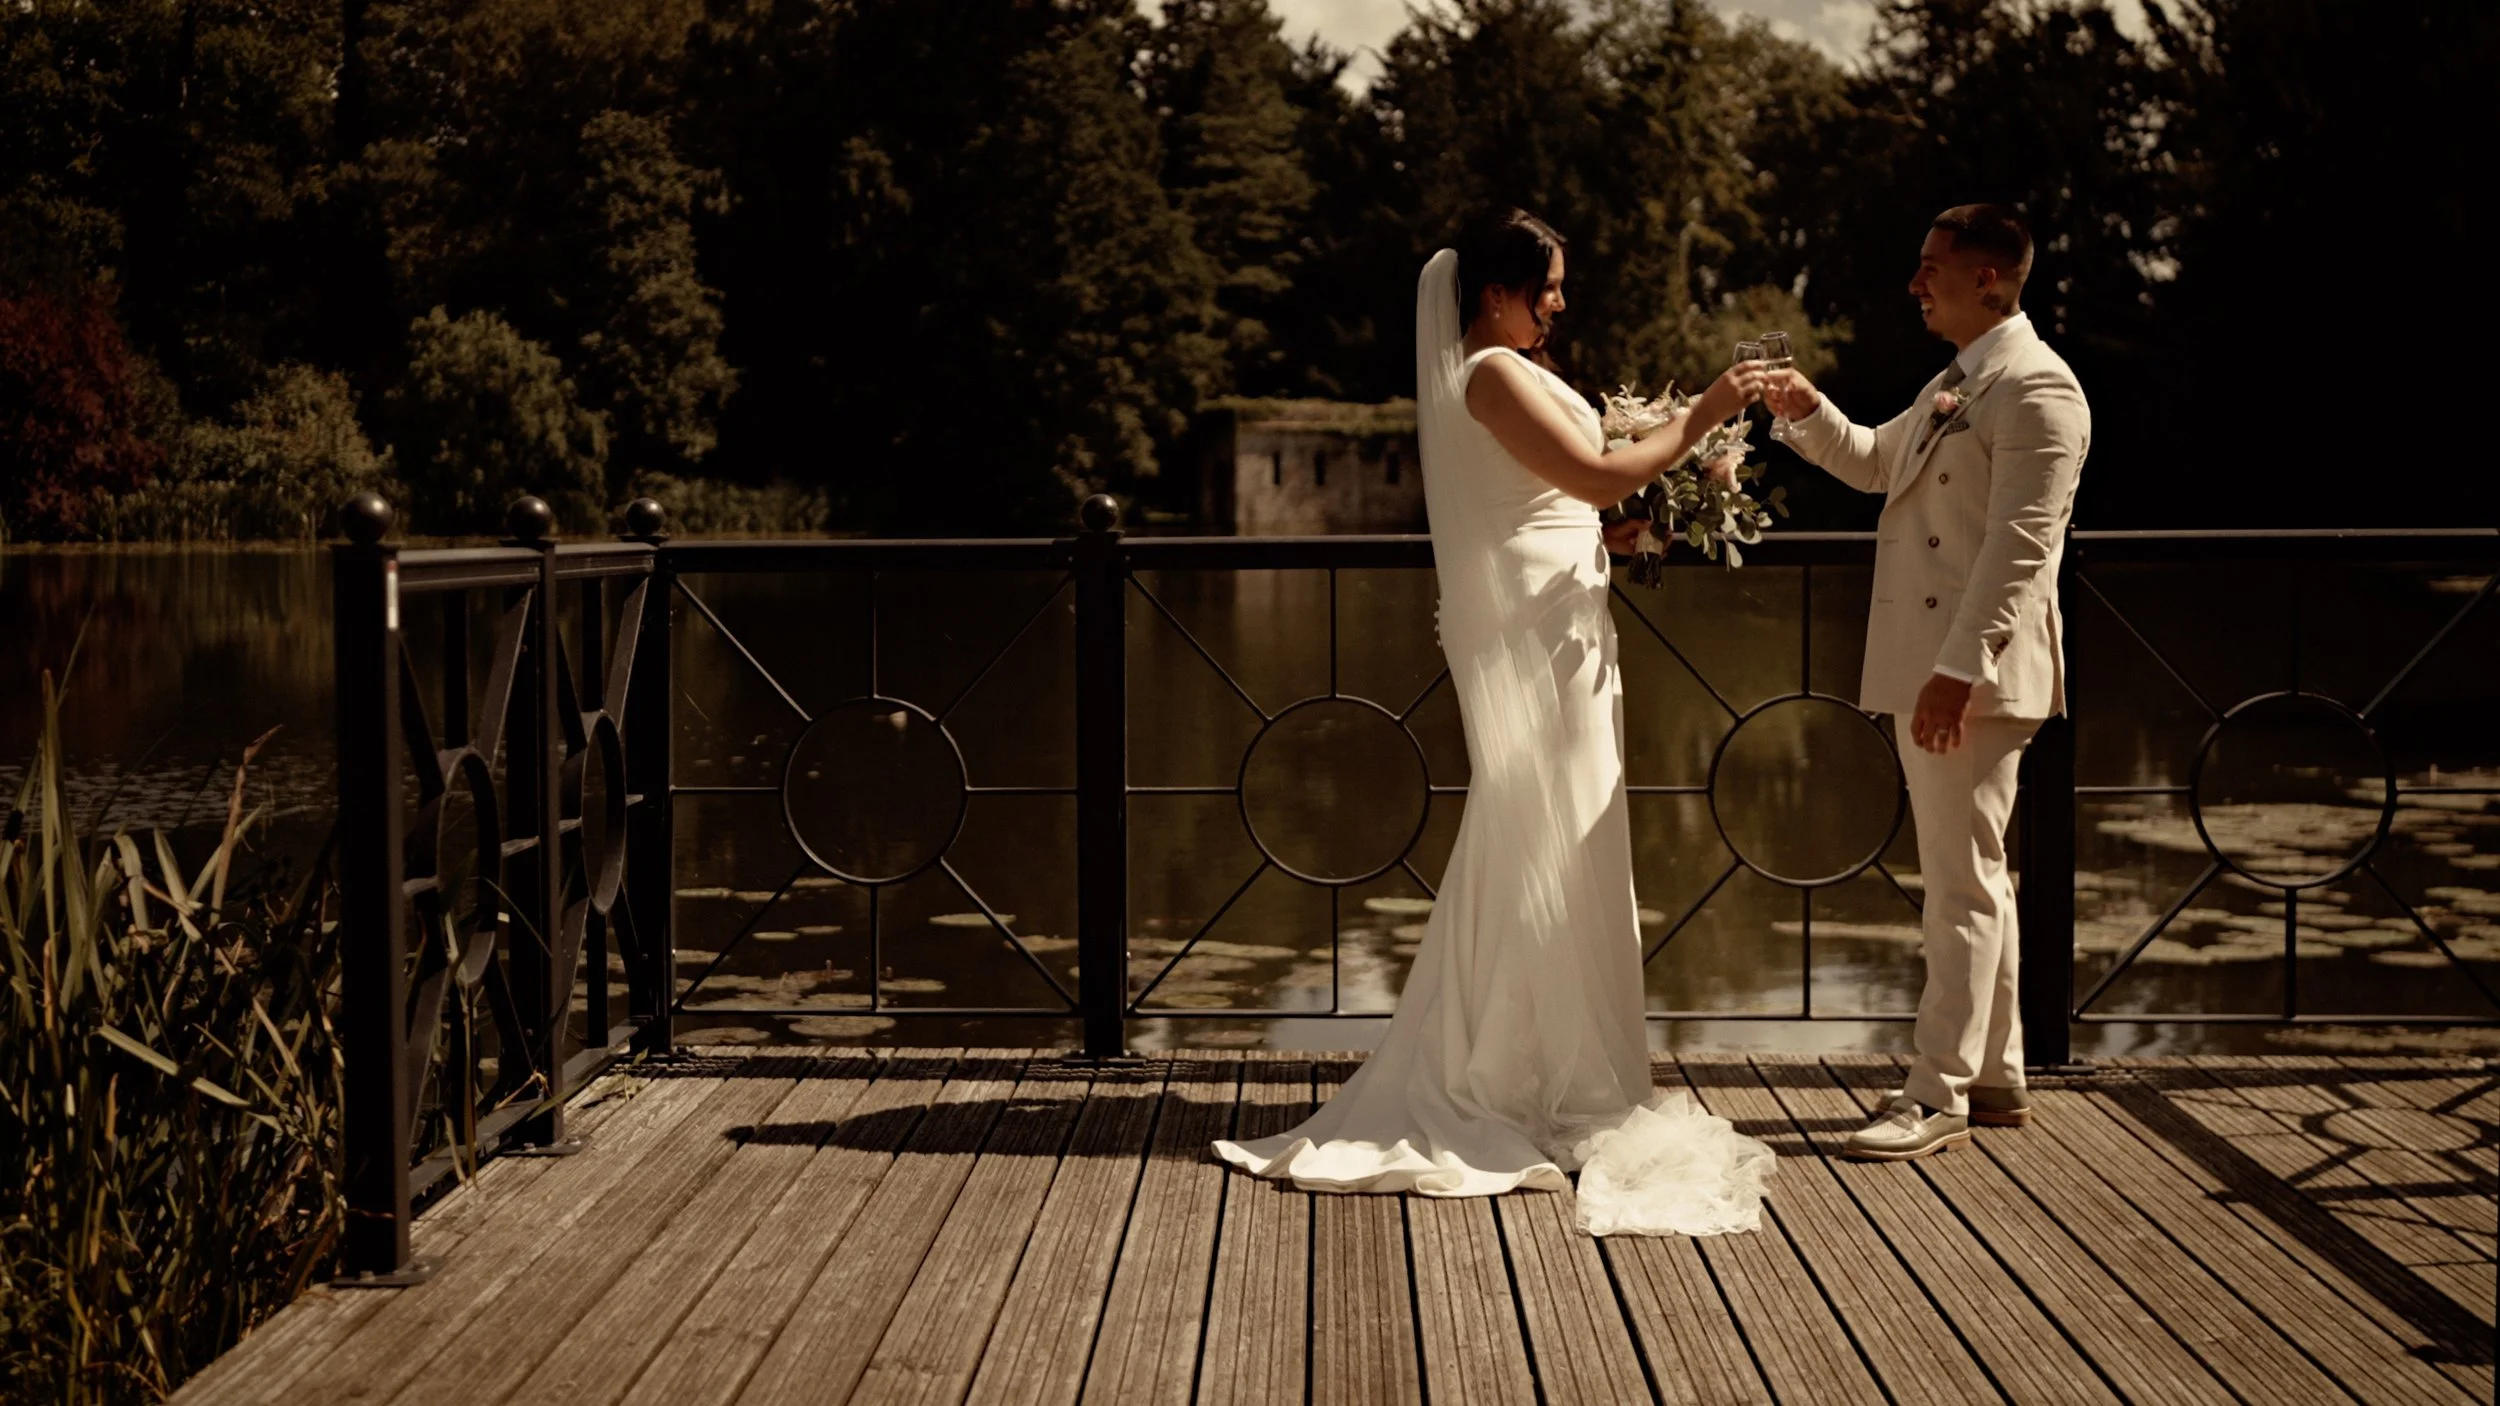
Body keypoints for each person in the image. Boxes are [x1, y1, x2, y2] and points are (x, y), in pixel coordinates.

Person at [1211, 209, 1776, 1237]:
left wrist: (1615, 527)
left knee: (1559, 831)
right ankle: (1508, 1068)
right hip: (1532, 627)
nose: (1560, 302)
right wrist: (1703, 414)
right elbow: (1597, 468)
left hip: (1560, 608)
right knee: (1538, 829)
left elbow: (1558, 494)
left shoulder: (1508, 369)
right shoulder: (1490, 373)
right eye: (1548, 284)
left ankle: (1534, 1053)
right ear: (1493, 293)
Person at [1763, 203, 2091, 1161]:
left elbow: (2024, 548)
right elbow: (1873, 464)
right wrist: (1804, 412)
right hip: (1941, 668)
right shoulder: (1959, 381)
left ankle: (1935, 1093)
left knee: (1959, 885)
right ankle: (1996, 1078)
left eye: (1932, 266)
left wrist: (1957, 672)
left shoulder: (2039, 389)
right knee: (1974, 875)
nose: (1915, 282)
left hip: (1972, 674)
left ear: (1990, 277)